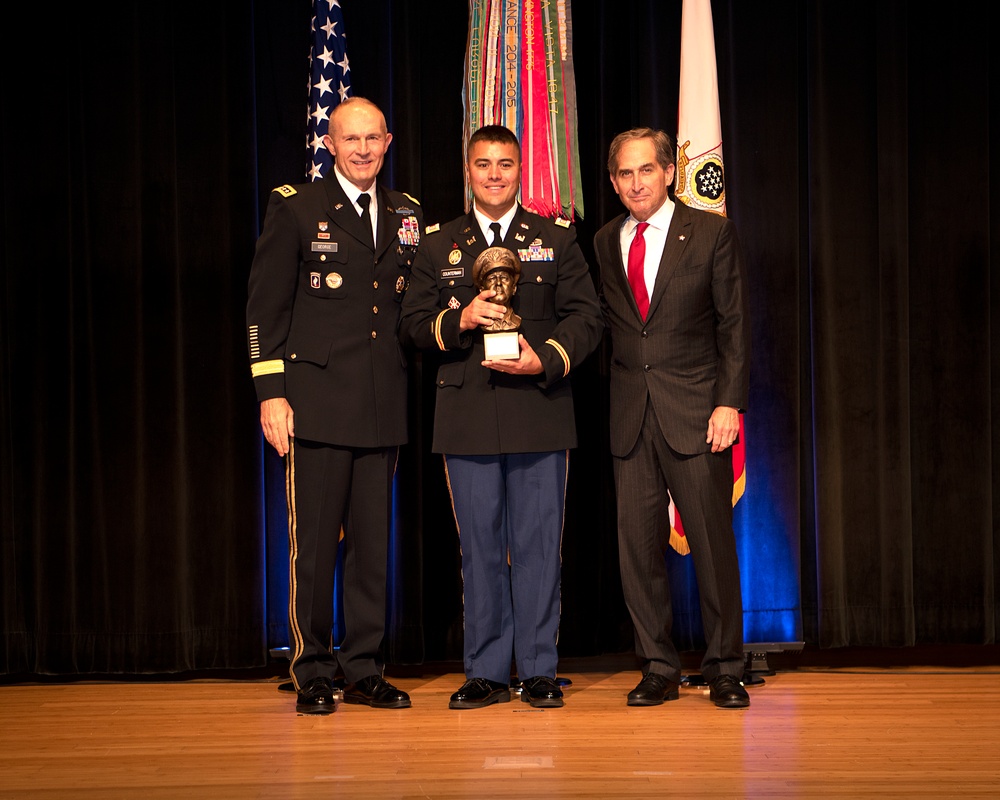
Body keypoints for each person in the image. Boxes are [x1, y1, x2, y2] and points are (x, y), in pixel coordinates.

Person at [400, 125, 603, 710]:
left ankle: (539, 669)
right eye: (484, 164)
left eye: (505, 164)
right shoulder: (439, 245)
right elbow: (412, 324)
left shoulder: (555, 239)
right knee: (480, 549)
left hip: (538, 409)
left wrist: (548, 357)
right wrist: (459, 319)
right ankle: (486, 670)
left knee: (539, 546)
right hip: (465, 414)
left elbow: (587, 318)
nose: (494, 174)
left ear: (522, 170)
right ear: (468, 170)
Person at [246, 97, 421, 714]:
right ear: (330, 141)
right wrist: (272, 394)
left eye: (373, 138)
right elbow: (265, 311)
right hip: (315, 404)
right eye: (351, 138)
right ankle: (313, 668)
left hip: (381, 404)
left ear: (389, 141)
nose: (363, 149)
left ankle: (364, 667)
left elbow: (405, 309)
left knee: (373, 550)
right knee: (315, 550)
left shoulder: (407, 213)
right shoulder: (296, 206)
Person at [593, 128, 751, 709]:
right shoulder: (606, 240)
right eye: (624, 175)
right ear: (613, 183)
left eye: (645, 171)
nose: (636, 183)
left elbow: (733, 324)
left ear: (668, 173)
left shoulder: (710, 232)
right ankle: (657, 666)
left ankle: (725, 666)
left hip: (697, 414)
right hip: (631, 417)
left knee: (712, 546)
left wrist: (728, 402)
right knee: (637, 552)